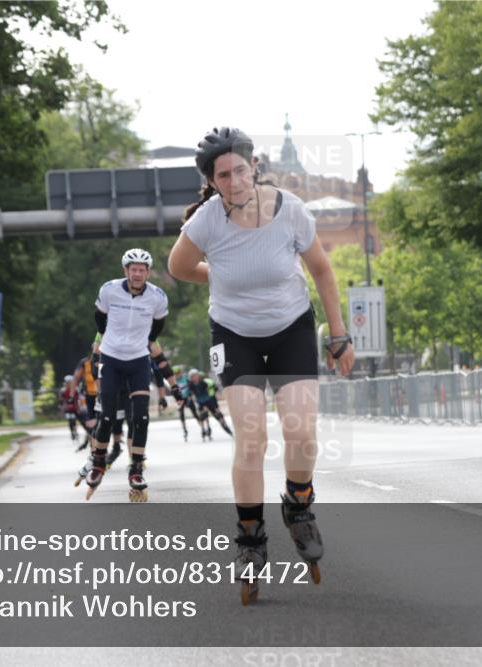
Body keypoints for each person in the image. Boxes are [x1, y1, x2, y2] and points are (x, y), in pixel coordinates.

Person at [168, 127, 355, 602]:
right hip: (233, 335)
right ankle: (251, 539)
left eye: (240, 170)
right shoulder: (206, 223)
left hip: (291, 326)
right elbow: (179, 268)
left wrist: (338, 335)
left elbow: (322, 271)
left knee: (301, 432)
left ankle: (298, 505)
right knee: (251, 438)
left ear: (255, 167)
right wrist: (220, 274)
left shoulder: (289, 208)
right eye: (223, 175)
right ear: (211, 182)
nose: (234, 181)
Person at [76, 248, 180, 502]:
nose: (137, 274)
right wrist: (109, 341)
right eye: (133, 269)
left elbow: (156, 328)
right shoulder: (109, 290)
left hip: (138, 360)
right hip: (111, 358)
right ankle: (99, 461)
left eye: (142, 270)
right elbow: (99, 319)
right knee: (108, 416)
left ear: (147, 272)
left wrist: (172, 388)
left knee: (142, 417)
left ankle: (136, 469)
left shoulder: (157, 297)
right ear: (126, 271)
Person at [185, 368, 233, 440]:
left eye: (196, 376)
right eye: (193, 376)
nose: (195, 378)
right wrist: (189, 400)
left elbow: (212, 390)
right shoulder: (191, 385)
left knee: (218, 415)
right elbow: (190, 394)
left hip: (209, 401)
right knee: (203, 416)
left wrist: (215, 398)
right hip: (201, 402)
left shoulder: (203, 383)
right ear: (191, 378)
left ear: (198, 376)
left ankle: (225, 426)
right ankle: (204, 430)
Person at [60, 375, 80, 442]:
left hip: (74, 408)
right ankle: (72, 432)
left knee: (74, 420)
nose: (68, 383)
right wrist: (63, 407)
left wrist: (78, 407)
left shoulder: (76, 389)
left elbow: (77, 399)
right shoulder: (63, 390)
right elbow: (62, 400)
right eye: (67, 382)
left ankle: (75, 431)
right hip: (67, 408)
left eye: (70, 382)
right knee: (70, 421)